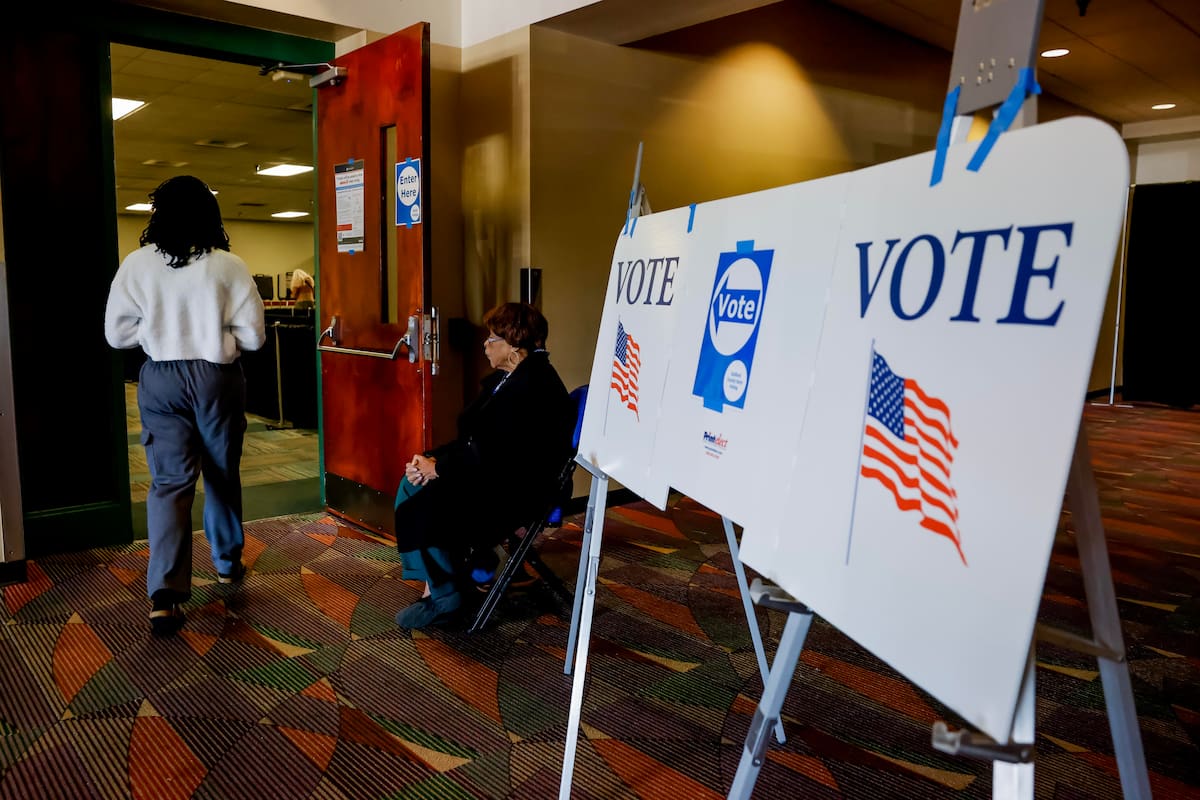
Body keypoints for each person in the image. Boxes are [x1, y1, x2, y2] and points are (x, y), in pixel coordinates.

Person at [104, 175, 266, 638]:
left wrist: (160, 333)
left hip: (161, 377)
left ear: (159, 213)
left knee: (170, 484)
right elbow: (255, 336)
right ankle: (226, 564)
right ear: (209, 214)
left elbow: (117, 335)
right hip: (217, 378)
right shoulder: (229, 265)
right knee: (220, 470)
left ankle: (166, 595)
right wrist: (216, 337)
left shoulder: (136, 265)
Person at [394, 302, 574, 629]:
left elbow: (501, 453)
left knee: (425, 504)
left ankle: (446, 596)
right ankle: (443, 585)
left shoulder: (534, 386)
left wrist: (441, 467)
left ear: (514, 344)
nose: (485, 344)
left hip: (519, 488)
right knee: (410, 484)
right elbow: (475, 440)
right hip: (494, 473)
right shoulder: (506, 380)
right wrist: (429, 460)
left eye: (492, 338)